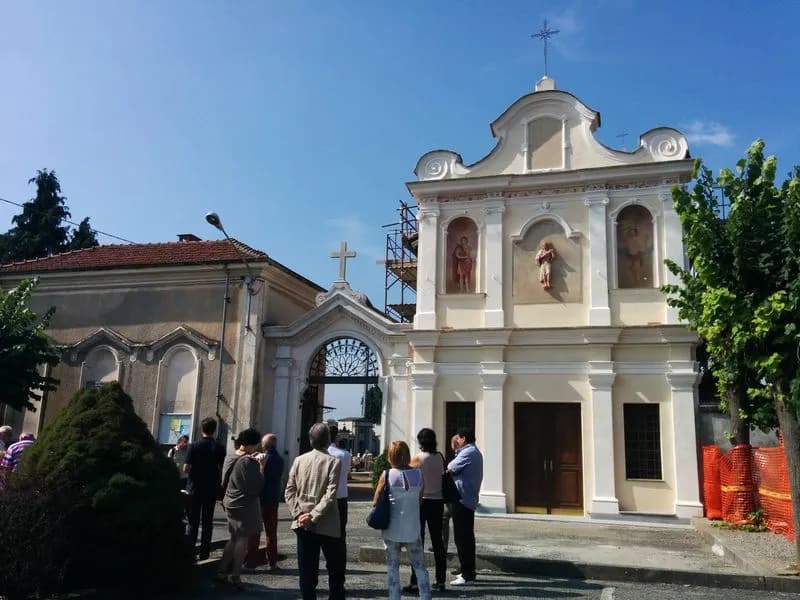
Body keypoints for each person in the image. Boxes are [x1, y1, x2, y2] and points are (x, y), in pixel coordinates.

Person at [285, 423, 344, 600]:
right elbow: (330, 494)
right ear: (328, 440)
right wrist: (313, 516)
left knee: (306, 570)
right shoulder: (334, 462)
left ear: (310, 440)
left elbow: (289, 490)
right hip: (327, 523)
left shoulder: (299, 460)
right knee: (335, 568)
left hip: (303, 523)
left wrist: (299, 514)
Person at [374, 441, 432, 600]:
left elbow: (376, 501)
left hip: (392, 528)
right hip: (413, 528)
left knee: (393, 568)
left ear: (391, 456)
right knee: (420, 567)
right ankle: (425, 596)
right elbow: (420, 500)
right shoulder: (419, 475)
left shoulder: (386, 475)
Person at [217, 428, 264, 590]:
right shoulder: (249, 462)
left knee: (233, 537)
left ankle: (222, 571)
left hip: (229, 501)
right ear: (252, 444)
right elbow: (256, 486)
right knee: (242, 540)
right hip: (244, 504)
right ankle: (235, 575)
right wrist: (261, 467)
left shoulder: (230, 455)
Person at [404, 428, 447, 593]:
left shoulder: (418, 459)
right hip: (438, 502)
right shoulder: (440, 457)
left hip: (421, 503)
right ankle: (441, 579)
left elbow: (407, 476)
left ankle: (416, 580)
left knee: (417, 542)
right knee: (438, 542)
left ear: (420, 441)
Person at [184, 417, 226, 560]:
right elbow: (221, 469)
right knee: (208, 522)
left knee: (193, 522)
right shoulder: (220, 448)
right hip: (211, 489)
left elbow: (186, 468)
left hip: (194, 488)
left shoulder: (193, 446)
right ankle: (204, 553)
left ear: (201, 429)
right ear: (214, 430)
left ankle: (190, 553)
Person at [447, 427, 483, 586]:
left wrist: (455, 450)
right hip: (466, 498)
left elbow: (451, 468)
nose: (456, 441)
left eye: (458, 439)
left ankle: (467, 574)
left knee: (462, 538)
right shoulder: (472, 451)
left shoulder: (468, 452)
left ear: (463, 439)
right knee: (466, 537)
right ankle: (468, 571)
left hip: (462, 499)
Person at [245, 433, 284, 570]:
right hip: (272, 499)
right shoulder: (279, 459)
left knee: (255, 532)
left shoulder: (261, 459)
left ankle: (251, 562)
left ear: (264, 445)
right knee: (271, 532)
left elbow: (256, 479)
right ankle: (272, 561)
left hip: (260, 499)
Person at [327, 424, 351, 559]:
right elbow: (346, 473)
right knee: (340, 532)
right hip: (340, 496)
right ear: (336, 437)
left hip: (322, 498)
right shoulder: (344, 455)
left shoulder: (320, 454)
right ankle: (338, 560)